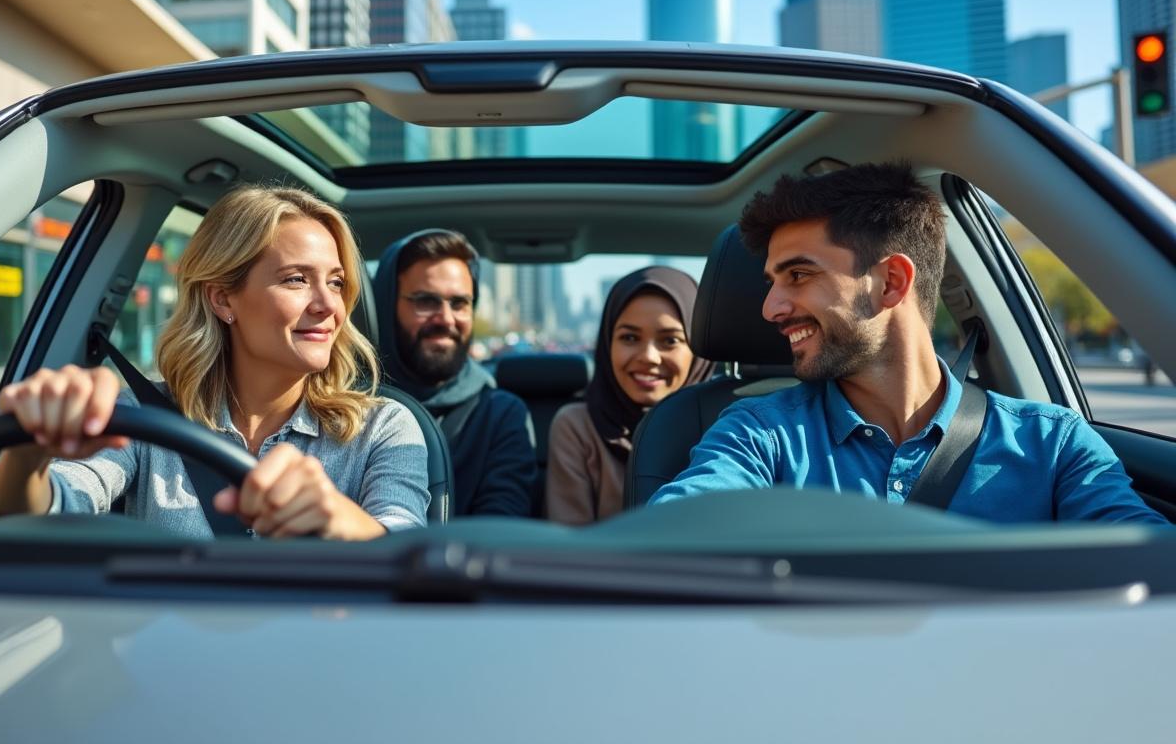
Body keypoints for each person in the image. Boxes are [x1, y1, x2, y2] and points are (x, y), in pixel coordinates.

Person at [651, 162, 1168, 524]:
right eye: (771, 282)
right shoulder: (759, 437)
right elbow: (669, 536)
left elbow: (1152, 573)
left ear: (892, 282)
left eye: (799, 275)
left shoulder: (1053, 445)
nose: (770, 308)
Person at [0, 185, 430, 539]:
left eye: (335, 282)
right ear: (222, 299)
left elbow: (409, 549)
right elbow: (42, 516)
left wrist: (343, 521)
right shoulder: (143, 421)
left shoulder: (383, 427)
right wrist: (26, 453)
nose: (327, 305)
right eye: (296, 280)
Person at [373, 229, 538, 516]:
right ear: (386, 307)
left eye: (460, 304)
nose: (446, 319)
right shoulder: (345, 409)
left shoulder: (501, 415)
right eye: (425, 301)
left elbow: (500, 529)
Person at [547, 267, 713, 524]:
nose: (648, 356)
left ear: (697, 351)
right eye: (630, 337)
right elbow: (570, 546)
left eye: (670, 341)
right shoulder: (578, 427)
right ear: (607, 342)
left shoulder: (727, 426)